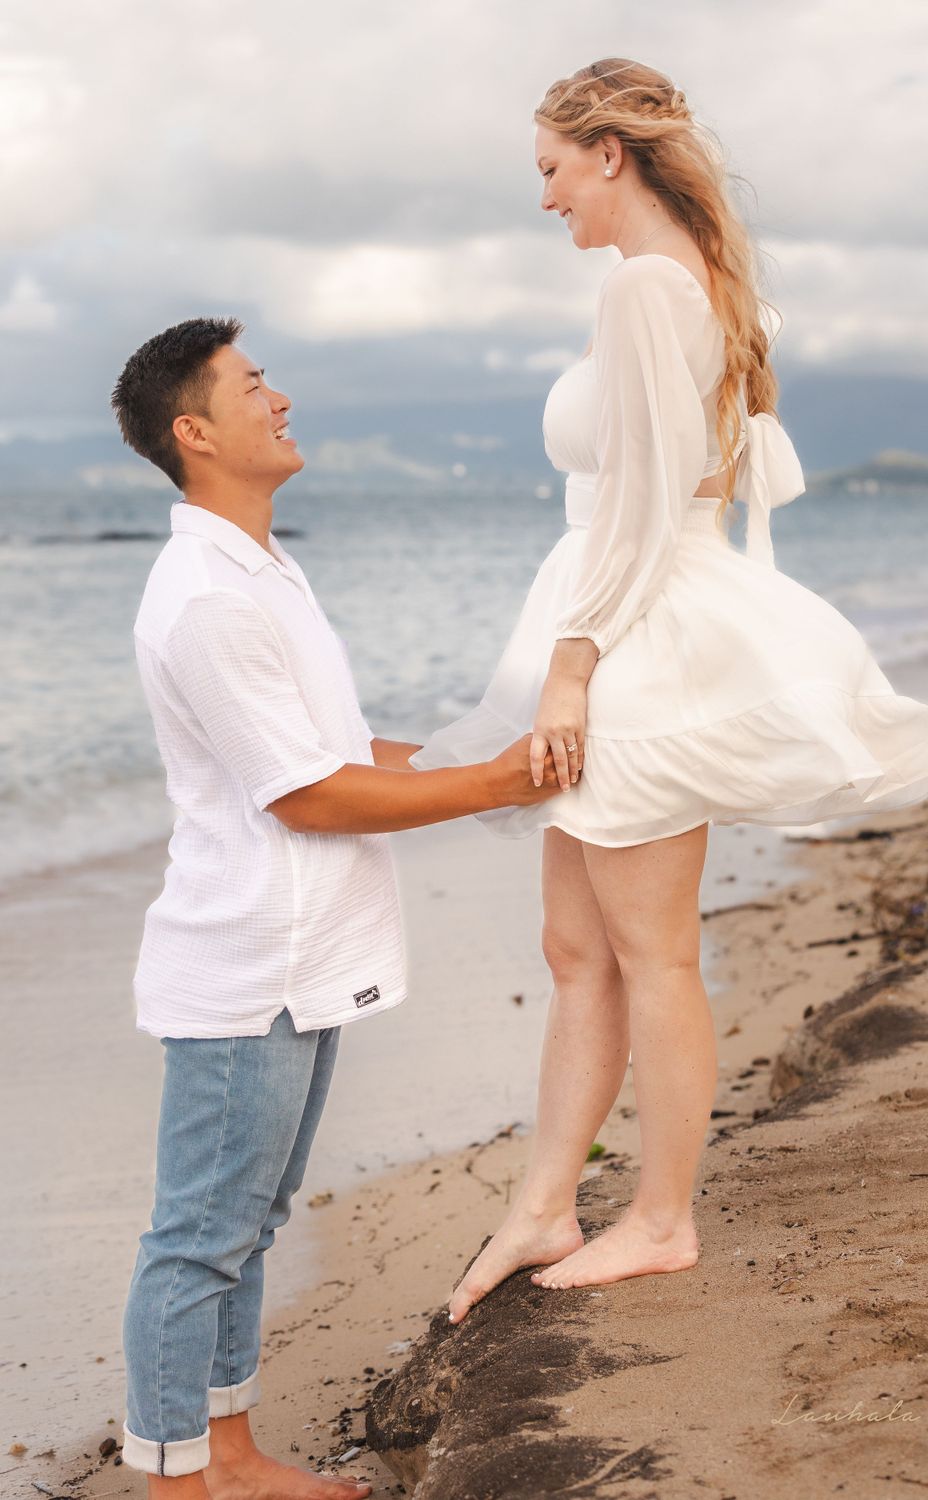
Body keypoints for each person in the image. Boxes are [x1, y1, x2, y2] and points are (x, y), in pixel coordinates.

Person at [410, 58, 928, 1323]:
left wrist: (569, 672)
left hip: (632, 640)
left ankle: (661, 1217)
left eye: (552, 171)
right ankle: (546, 1202)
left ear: (608, 154)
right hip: (627, 615)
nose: (545, 199)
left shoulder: (648, 292)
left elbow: (650, 503)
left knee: (651, 954)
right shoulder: (691, 286)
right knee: (575, 949)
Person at [109, 317, 559, 1497]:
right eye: (254, 386)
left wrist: (487, 759)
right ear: (194, 432)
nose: (282, 399)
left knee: (247, 1228)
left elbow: (345, 749)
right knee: (198, 1239)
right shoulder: (205, 598)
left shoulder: (266, 571)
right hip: (246, 964)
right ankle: (173, 1479)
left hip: (302, 957)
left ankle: (232, 1452)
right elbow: (308, 796)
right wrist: (494, 785)